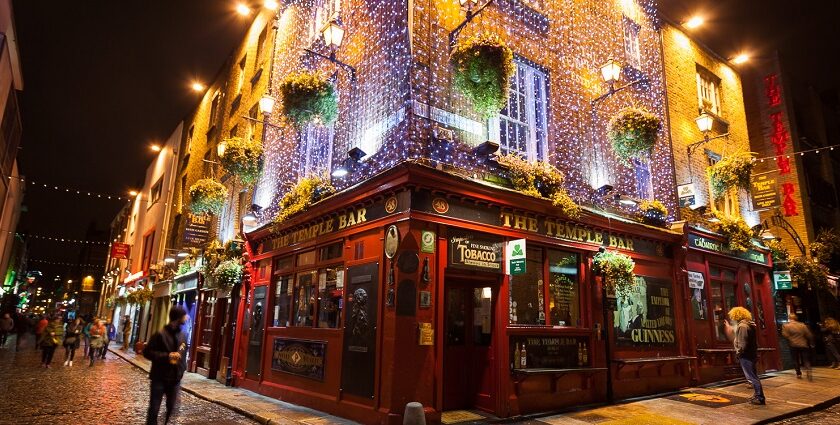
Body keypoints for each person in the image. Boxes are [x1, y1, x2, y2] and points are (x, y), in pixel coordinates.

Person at [144, 306, 188, 425]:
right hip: (159, 377)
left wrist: (182, 369)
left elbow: (183, 352)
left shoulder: (183, 335)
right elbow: (147, 352)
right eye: (185, 315)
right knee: (154, 408)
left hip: (175, 379)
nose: (187, 317)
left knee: (171, 408)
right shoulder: (160, 334)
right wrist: (167, 356)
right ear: (179, 317)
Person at [729, 306, 765, 405]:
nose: (732, 318)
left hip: (746, 355)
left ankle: (759, 397)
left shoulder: (742, 326)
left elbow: (742, 342)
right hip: (751, 353)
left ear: (736, 315)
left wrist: (738, 353)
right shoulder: (749, 325)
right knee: (753, 375)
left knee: (751, 377)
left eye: (732, 316)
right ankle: (757, 395)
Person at [782, 313, 814, 379]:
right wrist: (811, 342)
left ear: (789, 318)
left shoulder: (786, 326)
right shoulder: (802, 325)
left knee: (795, 359)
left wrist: (791, 339)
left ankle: (798, 373)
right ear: (796, 318)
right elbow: (809, 335)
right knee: (806, 359)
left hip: (793, 345)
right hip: (803, 344)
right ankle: (808, 369)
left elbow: (785, 335)